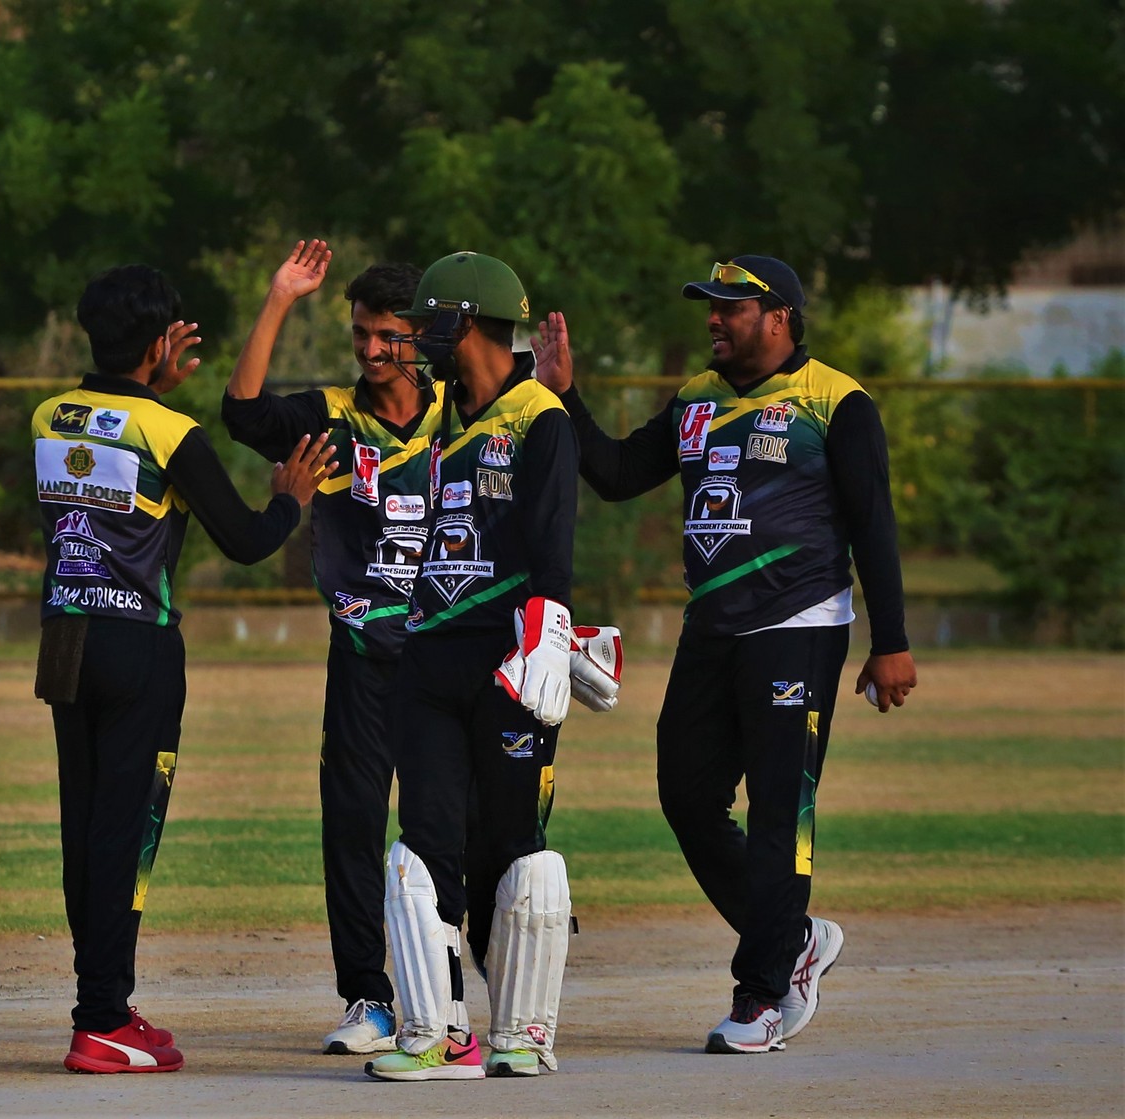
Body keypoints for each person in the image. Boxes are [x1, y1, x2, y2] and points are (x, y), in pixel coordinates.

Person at [532, 255, 918, 1054]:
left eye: (730, 308)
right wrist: (565, 395)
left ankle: (763, 993)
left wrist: (892, 642)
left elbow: (874, 523)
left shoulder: (835, 402)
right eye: (709, 306)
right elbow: (616, 473)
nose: (713, 318)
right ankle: (794, 938)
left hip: (800, 624)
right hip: (711, 629)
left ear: (779, 316)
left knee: (779, 810)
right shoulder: (696, 400)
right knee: (686, 793)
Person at [33, 264, 336, 1074]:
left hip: (64, 636)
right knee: (124, 830)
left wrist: (148, 378)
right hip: (137, 643)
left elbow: (106, 437)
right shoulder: (169, 431)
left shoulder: (47, 415)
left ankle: (106, 998)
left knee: (83, 823)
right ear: (163, 344)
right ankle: (99, 1019)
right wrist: (291, 498)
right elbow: (246, 539)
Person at [365, 252, 583, 1082]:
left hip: (506, 658)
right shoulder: (436, 415)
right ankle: (438, 1033)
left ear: (469, 320)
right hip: (427, 658)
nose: (417, 337)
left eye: (430, 322)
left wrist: (550, 634)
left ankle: (522, 1033)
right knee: (420, 847)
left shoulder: (539, 416)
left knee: (518, 847)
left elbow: (553, 538)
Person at [221, 240, 439, 1055]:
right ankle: (368, 999)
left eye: (389, 336)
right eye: (360, 335)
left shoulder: (460, 413)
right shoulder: (330, 416)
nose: (372, 351)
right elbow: (243, 414)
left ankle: (450, 994)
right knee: (352, 826)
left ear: (421, 335)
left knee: (447, 827)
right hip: (362, 654)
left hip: (449, 656)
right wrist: (280, 297)